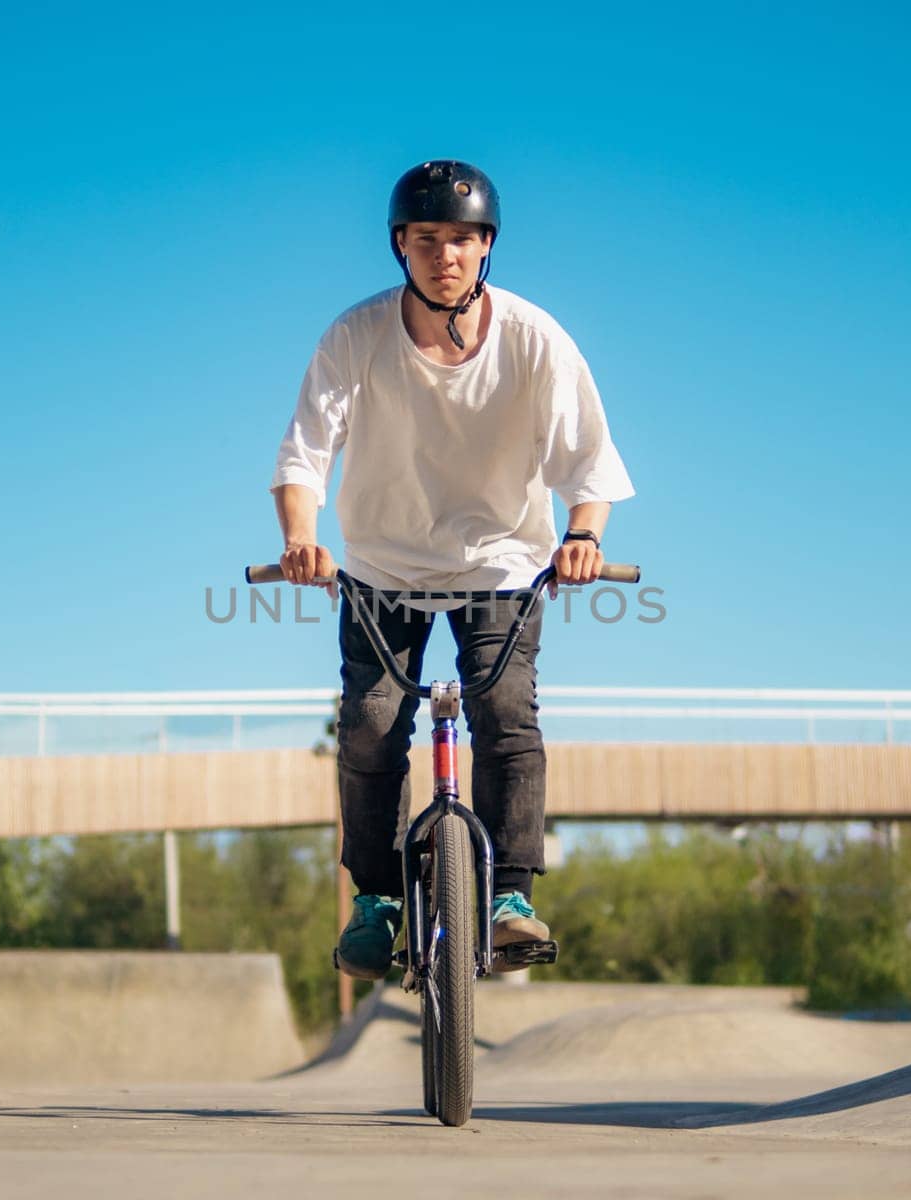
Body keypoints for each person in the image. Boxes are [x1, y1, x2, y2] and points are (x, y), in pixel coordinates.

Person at [269, 159, 634, 979]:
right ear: (400, 245)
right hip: (381, 563)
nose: (446, 256)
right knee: (368, 724)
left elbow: (590, 460)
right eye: (427, 239)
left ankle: (507, 898)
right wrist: (302, 537)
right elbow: (304, 456)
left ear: (486, 248)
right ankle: (377, 901)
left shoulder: (536, 339)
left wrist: (582, 536)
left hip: (501, 559)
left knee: (504, 712)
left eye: (463, 241)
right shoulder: (355, 337)